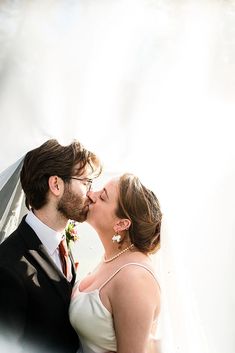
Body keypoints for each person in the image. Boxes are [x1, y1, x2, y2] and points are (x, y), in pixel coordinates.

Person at [0, 139, 102, 353]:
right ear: (56, 184)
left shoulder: (62, 240)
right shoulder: (8, 266)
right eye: (85, 182)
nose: (92, 193)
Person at [69, 173, 162, 353]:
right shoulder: (111, 257)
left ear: (121, 224)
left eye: (102, 196)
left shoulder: (135, 279)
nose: (91, 194)